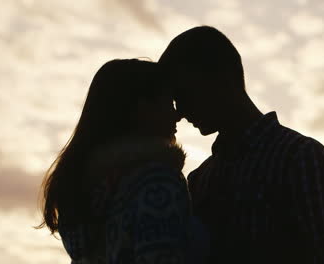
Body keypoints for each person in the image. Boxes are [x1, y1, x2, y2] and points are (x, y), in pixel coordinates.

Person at [158, 26, 324, 264]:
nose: (180, 112)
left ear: (222, 77)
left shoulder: (301, 157)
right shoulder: (200, 179)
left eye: (184, 94)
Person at [36, 59, 208, 264]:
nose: (177, 115)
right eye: (168, 103)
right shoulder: (156, 182)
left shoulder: (86, 190)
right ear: (142, 109)